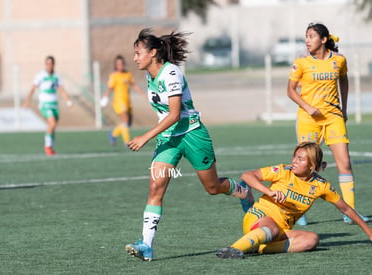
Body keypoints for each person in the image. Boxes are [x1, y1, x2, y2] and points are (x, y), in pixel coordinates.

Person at [124, 28, 250, 261]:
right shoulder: (148, 76)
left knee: (212, 187)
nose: (135, 58)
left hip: (192, 134)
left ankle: (243, 192)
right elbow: (166, 118)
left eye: (138, 53)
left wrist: (144, 137)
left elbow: (173, 115)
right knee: (155, 187)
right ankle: (146, 245)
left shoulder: (171, 73)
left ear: (153, 53)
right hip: (169, 139)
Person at [216, 142, 372, 259]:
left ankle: (259, 248)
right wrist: (268, 192)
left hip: (281, 231)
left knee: (311, 240)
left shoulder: (321, 186)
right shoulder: (284, 171)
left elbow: (346, 209)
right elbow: (247, 176)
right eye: (295, 157)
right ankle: (233, 249)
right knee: (273, 228)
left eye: (300, 159)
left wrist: (369, 232)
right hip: (258, 218)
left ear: (312, 166)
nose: (295, 161)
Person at [287, 22, 368, 225]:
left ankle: (351, 213)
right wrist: (307, 107)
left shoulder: (339, 60)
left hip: (333, 118)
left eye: (311, 36)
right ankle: (298, 212)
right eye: (306, 36)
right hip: (309, 120)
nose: (307, 40)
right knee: (305, 167)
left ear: (323, 40)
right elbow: (290, 91)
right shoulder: (301, 62)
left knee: (345, 164)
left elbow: (344, 81)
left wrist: (344, 108)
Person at [23, 56, 73, 155]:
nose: (49, 66)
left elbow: (61, 90)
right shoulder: (40, 75)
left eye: (51, 63)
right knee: (53, 123)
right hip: (45, 104)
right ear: (45, 64)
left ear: (54, 64)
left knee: (53, 126)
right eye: (47, 64)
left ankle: (51, 146)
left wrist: (69, 102)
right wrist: (27, 101)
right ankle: (48, 147)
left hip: (54, 104)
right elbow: (33, 88)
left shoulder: (57, 76)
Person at [101, 55, 145, 146]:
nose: (120, 65)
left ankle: (113, 134)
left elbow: (134, 85)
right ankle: (127, 141)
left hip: (127, 102)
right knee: (125, 120)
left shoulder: (128, 74)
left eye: (121, 63)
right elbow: (109, 88)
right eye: (118, 64)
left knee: (128, 123)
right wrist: (104, 99)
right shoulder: (114, 76)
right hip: (118, 102)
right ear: (115, 65)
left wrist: (144, 94)